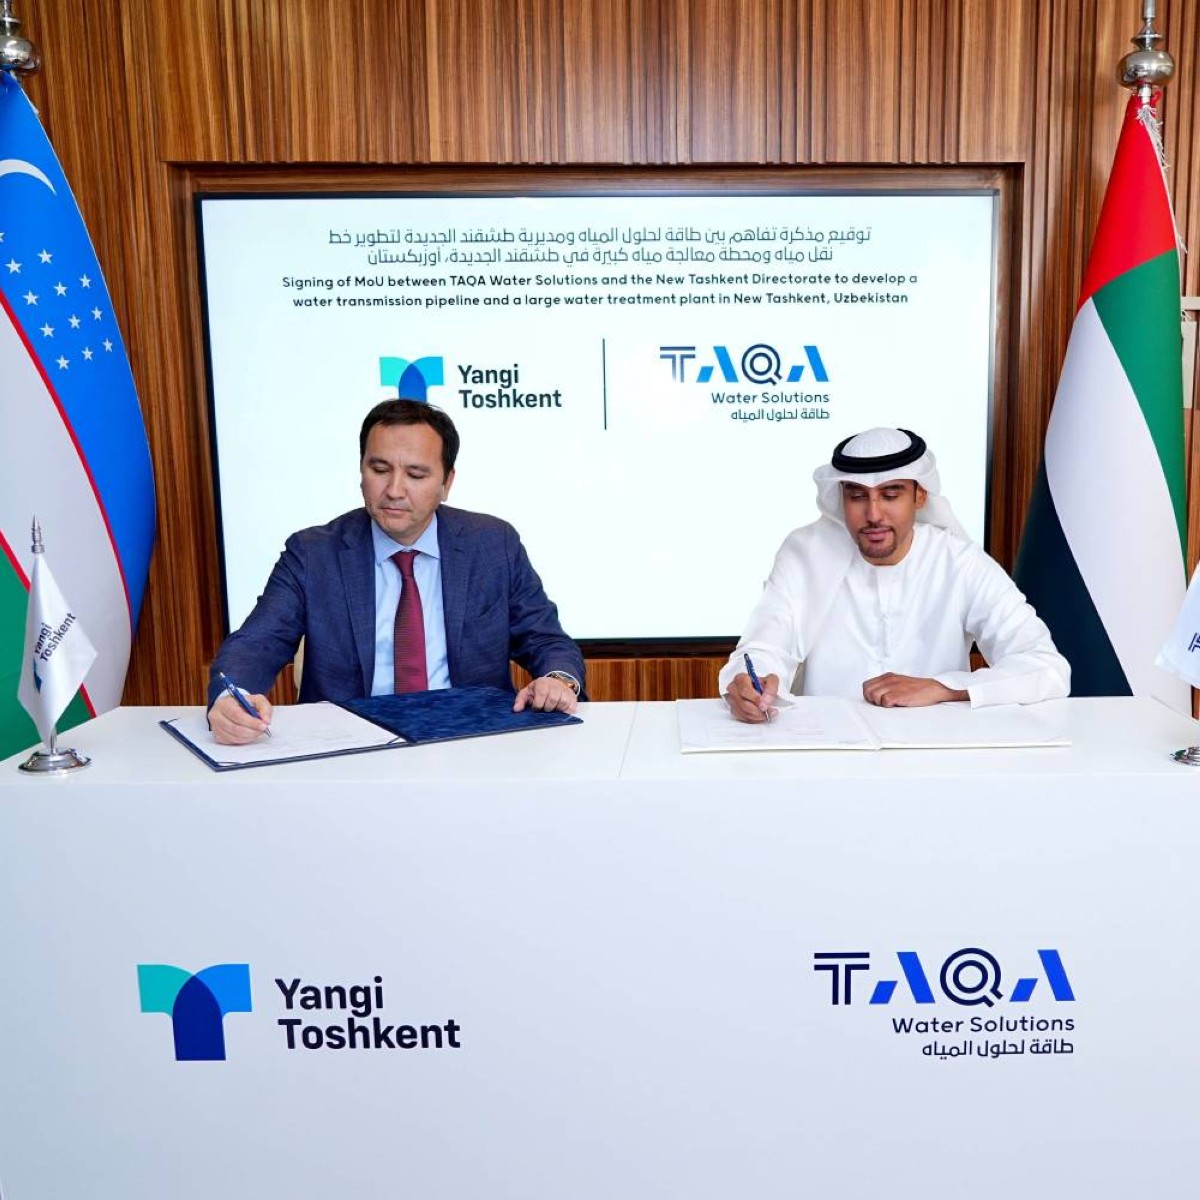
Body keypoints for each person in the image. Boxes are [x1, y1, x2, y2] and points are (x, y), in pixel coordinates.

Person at [208, 399, 585, 743]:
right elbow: (257, 643)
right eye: (379, 469)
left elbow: (546, 639)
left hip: (471, 739)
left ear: (446, 483)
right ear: (361, 471)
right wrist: (230, 697)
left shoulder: (492, 544)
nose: (394, 490)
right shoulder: (313, 554)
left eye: (416, 475)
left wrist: (557, 680)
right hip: (350, 748)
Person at [721, 426, 1070, 722]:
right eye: (857, 496)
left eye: (890, 495)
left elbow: (1046, 668)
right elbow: (764, 646)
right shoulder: (805, 554)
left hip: (936, 754)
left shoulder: (959, 561)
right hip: (829, 752)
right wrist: (749, 684)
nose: (873, 514)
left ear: (919, 496)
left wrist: (943, 687)